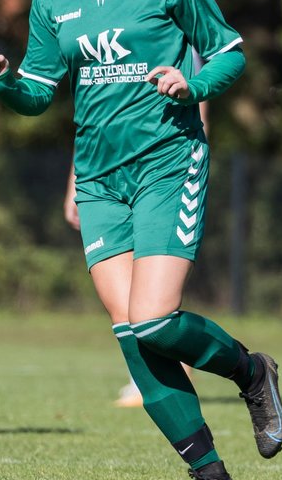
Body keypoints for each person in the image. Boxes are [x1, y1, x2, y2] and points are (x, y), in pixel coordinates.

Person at [0, 0, 282, 480]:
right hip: (98, 180)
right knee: (132, 333)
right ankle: (208, 471)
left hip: (168, 164)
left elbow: (229, 54)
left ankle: (251, 374)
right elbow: (37, 91)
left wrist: (191, 87)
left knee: (156, 319)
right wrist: (3, 84)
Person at [72, 91, 207, 408]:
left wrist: (192, 163)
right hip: (102, 178)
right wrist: (74, 184)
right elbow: (88, 114)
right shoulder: (88, 45)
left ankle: (244, 369)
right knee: (127, 311)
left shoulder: (175, 43)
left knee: (152, 310)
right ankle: (151, 376)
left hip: (166, 170)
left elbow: (202, 103)